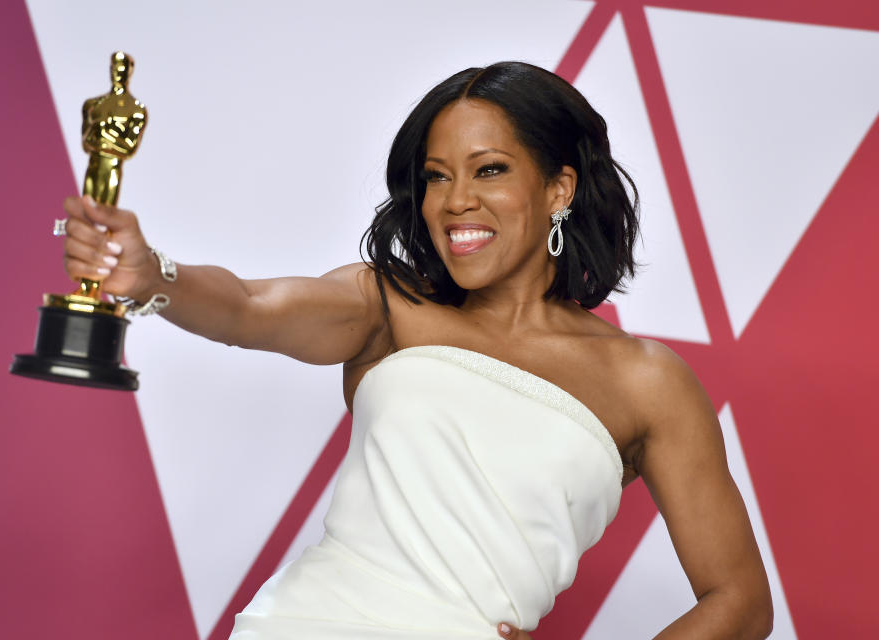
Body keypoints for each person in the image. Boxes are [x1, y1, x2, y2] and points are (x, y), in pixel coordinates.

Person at [60, 62, 773, 639]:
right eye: (436, 176)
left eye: (488, 169)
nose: (455, 200)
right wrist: (156, 277)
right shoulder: (388, 304)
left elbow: (739, 602)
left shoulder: (647, 381)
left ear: (559, 187)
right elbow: (250, 306)